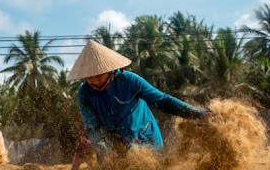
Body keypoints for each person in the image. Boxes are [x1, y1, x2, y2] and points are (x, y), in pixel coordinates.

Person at [67, 40, 211, 161]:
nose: (94, 81)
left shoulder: (129, 81)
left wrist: (199, 114)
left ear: (110, 70)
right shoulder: (84, 93)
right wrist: (104, 151)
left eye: (98, 75)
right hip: (111, 146)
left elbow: (163, 101)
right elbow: (93, 127)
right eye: (89, 77)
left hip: (144, 139)